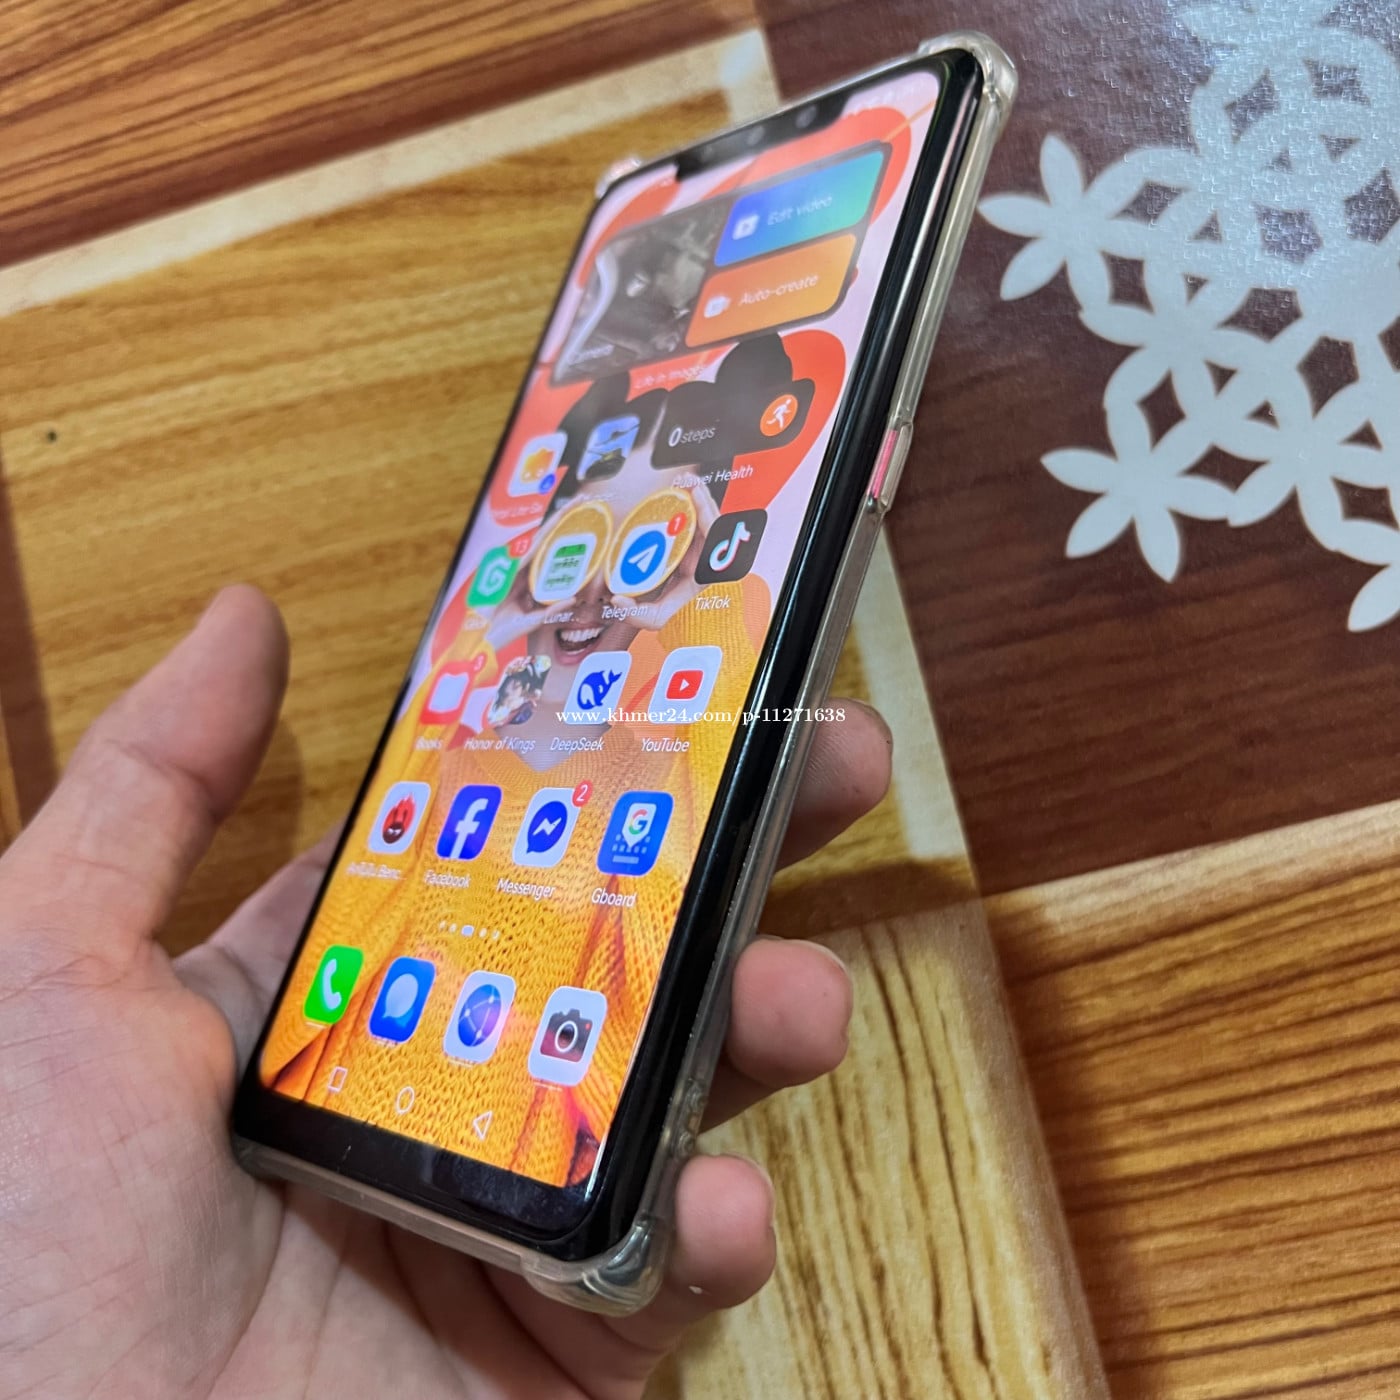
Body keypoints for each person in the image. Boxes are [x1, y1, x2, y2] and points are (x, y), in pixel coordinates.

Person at [0, 584, 892, 1397]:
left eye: (641, 573)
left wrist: (692, 611)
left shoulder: (657, 740)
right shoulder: (459, 738)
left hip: (511, 1173)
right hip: (326, 1137)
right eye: (559, 577)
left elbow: (718, 624)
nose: (590, 598)